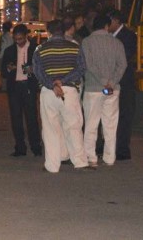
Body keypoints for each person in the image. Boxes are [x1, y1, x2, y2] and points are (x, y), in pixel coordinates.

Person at [33, 20, 92, 173]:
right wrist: (63, 81)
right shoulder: (74, 47)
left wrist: (53, 84)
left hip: (48, 92)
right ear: (64, 30)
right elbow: (81, 68)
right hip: (69, 91)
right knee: (74, 126)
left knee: (50, 128)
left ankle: (52, 165)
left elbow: (38, 72)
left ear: (49, 31)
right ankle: (80, 161)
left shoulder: (41, 49)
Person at [81, 15, 127, 167]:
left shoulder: (87, 42)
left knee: (91, 124)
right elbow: (123, 65)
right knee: (110, 124)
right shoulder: (117, 42)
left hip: (94, 88)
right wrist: (111, 82)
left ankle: (91, 157)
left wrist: (102, 81)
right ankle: (109, 157)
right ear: (107, 26)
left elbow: (88, 64)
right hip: (112, 90)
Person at [1, 24, 42, 157]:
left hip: (28, 85)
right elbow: (3, 71)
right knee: (16, 118)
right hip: (15, 87)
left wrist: (33, 70)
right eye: (16, 39)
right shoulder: (9, 50)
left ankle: (36, 146)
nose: (18, 42)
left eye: (21, 39)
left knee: (31, 118)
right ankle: (20, 147)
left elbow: (41, 67)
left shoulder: (35, 49)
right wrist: (9, 68)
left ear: (26, 36)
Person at [108, 10, 137, 161]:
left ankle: (122, 149)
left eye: (110, 21)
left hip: (124, 82)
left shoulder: (128, 35)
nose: (108, 24)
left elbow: (125, 58)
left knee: (124, 115)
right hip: (111, 81)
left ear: (116, 21)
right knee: (109, 115)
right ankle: (109, 147)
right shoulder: (108, 36)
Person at [0, 21, 14, 92]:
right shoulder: (11, 36)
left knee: (3, 72)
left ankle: (4, 87)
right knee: (8, 71)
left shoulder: (4, 36)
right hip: (10, 56)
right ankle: (5, 86)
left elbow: (3, 47)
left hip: (4, 56)